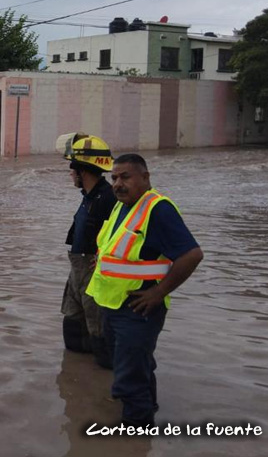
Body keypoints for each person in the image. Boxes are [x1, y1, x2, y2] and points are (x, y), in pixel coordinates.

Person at [86, 153, 203, 426]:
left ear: (145, 177)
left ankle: (136, 435)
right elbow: (123, 248)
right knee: (134, 365)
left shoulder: (158, 209)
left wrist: (158, 293)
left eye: (125, 177)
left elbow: (192, 255)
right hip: (113, 304)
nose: (117, 184)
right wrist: (101, 258)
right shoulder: (122, 206)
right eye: (114, 178)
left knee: (128, 377)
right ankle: (147, 408)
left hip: (138, 309)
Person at [57, 133, 117, 369]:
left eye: (73, 168)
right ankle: (81, 376)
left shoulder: (108, 198)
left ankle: (106, 379)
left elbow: (123, 233)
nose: (70, 173)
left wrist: (104, 257)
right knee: (73, 333)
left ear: (84, 170)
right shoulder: (90, 196)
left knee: (98, 330)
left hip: (93, 273)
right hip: (77, 270)